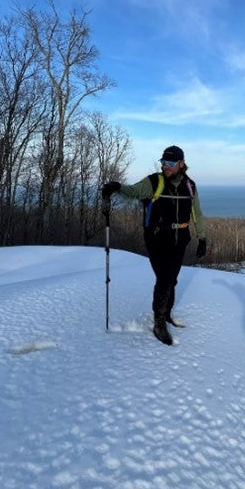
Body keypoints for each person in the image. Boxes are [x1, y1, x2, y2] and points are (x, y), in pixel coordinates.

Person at [102, 145, 207, 345]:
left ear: (181, 164)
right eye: (163, 162)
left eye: (170, 163)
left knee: (172, 279)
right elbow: (133, 191)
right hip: (157, 238)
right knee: (164, 278)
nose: (165, 166)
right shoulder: (154, 182)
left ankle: (166, 314)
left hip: (180, 238)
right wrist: (117, 188)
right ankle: (158, 323)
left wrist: (202, 238)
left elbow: (197, 213)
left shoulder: (190, 186)